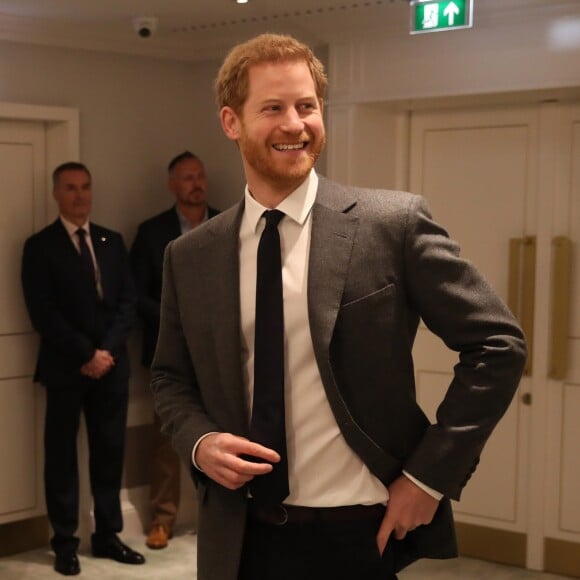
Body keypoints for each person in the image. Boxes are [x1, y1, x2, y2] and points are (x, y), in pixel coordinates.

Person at [150, 34, 527, 580]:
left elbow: (498, 345)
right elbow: (169, 377)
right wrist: (199, 442)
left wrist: (428, 478)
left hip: (357, 533)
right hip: (239, 535)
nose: (294, 124)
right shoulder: (191, 255)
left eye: (307, 106)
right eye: (273, 108)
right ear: (231, 122)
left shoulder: (391, 225)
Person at [21, 162, 145, 576]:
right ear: (56, 193)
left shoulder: (112, 240)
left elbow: (128, 302)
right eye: (71, 188)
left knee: (109, 454)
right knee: (61, 458)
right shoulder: (39, 247)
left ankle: (108, 536)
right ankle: (65, 543)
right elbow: (44, 313)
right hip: (65, 369)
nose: (80, 195)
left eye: (86, 187)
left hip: (112, 368)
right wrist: (85, 354)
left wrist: (106, 352)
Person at [130, 151, 220, 550]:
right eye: (187, 178)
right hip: (170, 354)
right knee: (168, 439)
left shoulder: (228, 224)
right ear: (172, 185)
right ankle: (162, 519)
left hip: (222, 351)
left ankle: (221, 517)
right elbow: (135, 295)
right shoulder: (152, 233)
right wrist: (177, 320)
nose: (196, 183)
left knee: (226, 433)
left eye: (200, 176)